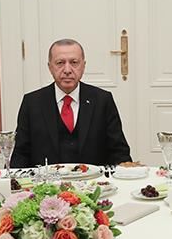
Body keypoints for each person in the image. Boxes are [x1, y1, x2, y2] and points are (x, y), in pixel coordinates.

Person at [10, 39, 131, 168]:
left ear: (83, 66)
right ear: (50, 67)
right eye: (60, 63)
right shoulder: (32, 103)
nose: (67, 70)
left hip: (95, 179)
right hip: (47, 180)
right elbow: (20, 154)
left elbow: (119, 152)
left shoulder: (102, 100)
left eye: (74, 62)